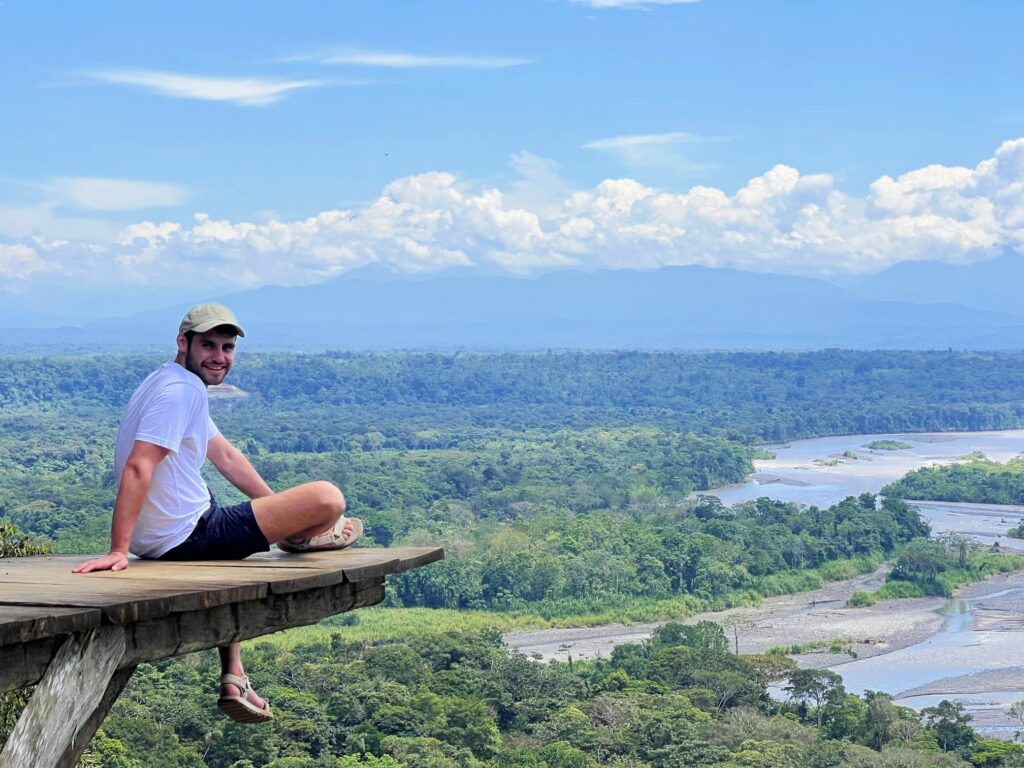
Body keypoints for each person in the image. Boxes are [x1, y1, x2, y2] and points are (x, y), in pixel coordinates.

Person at [73, 303, 362, 724]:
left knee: (223, 524)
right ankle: (306, 537)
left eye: (227, 347)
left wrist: (280, 510)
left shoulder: (166, 380)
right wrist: (118, 549)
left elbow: (224, 455)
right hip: (187, 535)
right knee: (328, 498)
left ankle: (235, 674)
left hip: (171, 533)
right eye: (208, 345)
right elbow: (139, 464)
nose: (219, 356)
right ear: (183, 342)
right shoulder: (183, 391)